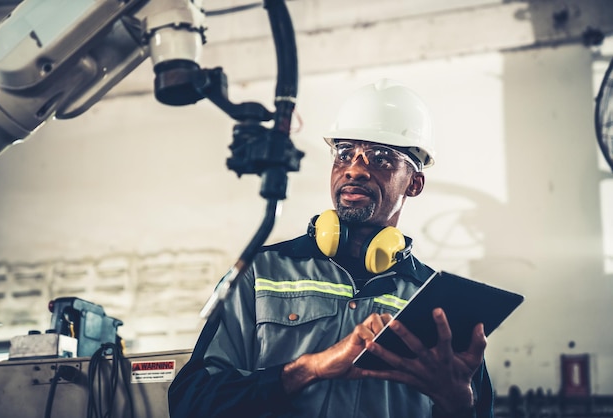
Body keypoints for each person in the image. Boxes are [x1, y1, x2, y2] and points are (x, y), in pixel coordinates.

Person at [168, 79, 494, 418]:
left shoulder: (440, 304)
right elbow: (191, 403)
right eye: (344, 153)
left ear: (414, 183)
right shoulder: (261, 273)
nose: (355, 168)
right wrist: (309, 368)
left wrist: (459, 406)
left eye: (381, 158)